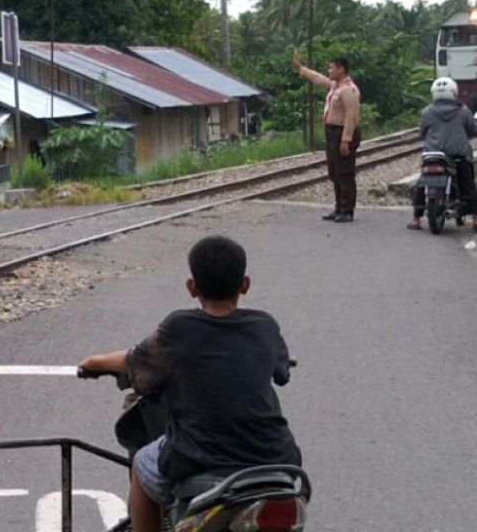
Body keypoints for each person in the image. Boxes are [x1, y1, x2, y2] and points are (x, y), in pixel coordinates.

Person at [79, 236, 301, 532]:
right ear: (245, 284)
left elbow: (132, 360)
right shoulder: (265, 325)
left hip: (202, 458)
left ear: (192, 287)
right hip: (276, 459)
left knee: (143, 462)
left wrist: (93, 363)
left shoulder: (179, 328)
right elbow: (281, 372)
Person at [293, 50, 361, 222]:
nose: (329, 71)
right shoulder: (335, 86)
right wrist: (301, 68)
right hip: (331, 132)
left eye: (331, 68)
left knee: (345, 172)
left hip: (342, 132)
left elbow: (351, 116)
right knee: (335, 172)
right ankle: (338, 207)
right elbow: (318, 78)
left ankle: (347, 210)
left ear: (341, 69)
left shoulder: (349, 90)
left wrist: (346, 139)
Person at [408, 77, 477, 230]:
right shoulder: (463, 110)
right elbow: (472, 130)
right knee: (468, 183)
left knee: (422, 182)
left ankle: (416, 219)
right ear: (454, 92)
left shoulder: (427, 111)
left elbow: (422, 133)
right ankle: (475, 218)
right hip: (458, 154)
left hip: (433, 154)